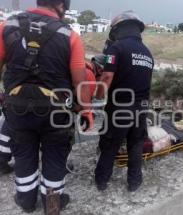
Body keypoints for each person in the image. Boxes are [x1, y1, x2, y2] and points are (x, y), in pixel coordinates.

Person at [0, 0, 93, 212]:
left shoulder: (7, 26)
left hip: (17, 109)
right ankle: (52, 204)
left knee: (23, 154)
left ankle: (26, 200)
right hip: (56, 113)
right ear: (61, 6)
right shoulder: (70, 36)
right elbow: (80, 81)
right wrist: (86, 110)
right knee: (55, 155)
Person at [94, 11, 154, 192]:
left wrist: (98, 96)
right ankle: (134, 182)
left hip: (121, 107)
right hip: (142, 107)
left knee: (110, 143)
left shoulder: (117, 48)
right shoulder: (147, 53)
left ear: (118, 29)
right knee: (135, 145)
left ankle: (102, 181)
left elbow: (106, 77)